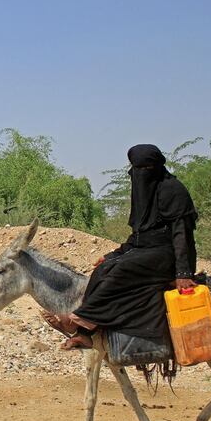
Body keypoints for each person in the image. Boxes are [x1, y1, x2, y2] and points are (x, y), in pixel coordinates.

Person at [43, 144, 198, 350]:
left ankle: (78, 320)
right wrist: (112, 255)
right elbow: (139, 236)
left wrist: (183, 272)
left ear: (156, 167)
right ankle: (85, 332)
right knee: (103, 269)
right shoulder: (145, 193)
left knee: (122, 270)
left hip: (167, 254)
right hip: (146, 250)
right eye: (137, 169)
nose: (140, 174)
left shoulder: (172, 190)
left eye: (145, 169)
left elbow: (181, 235)